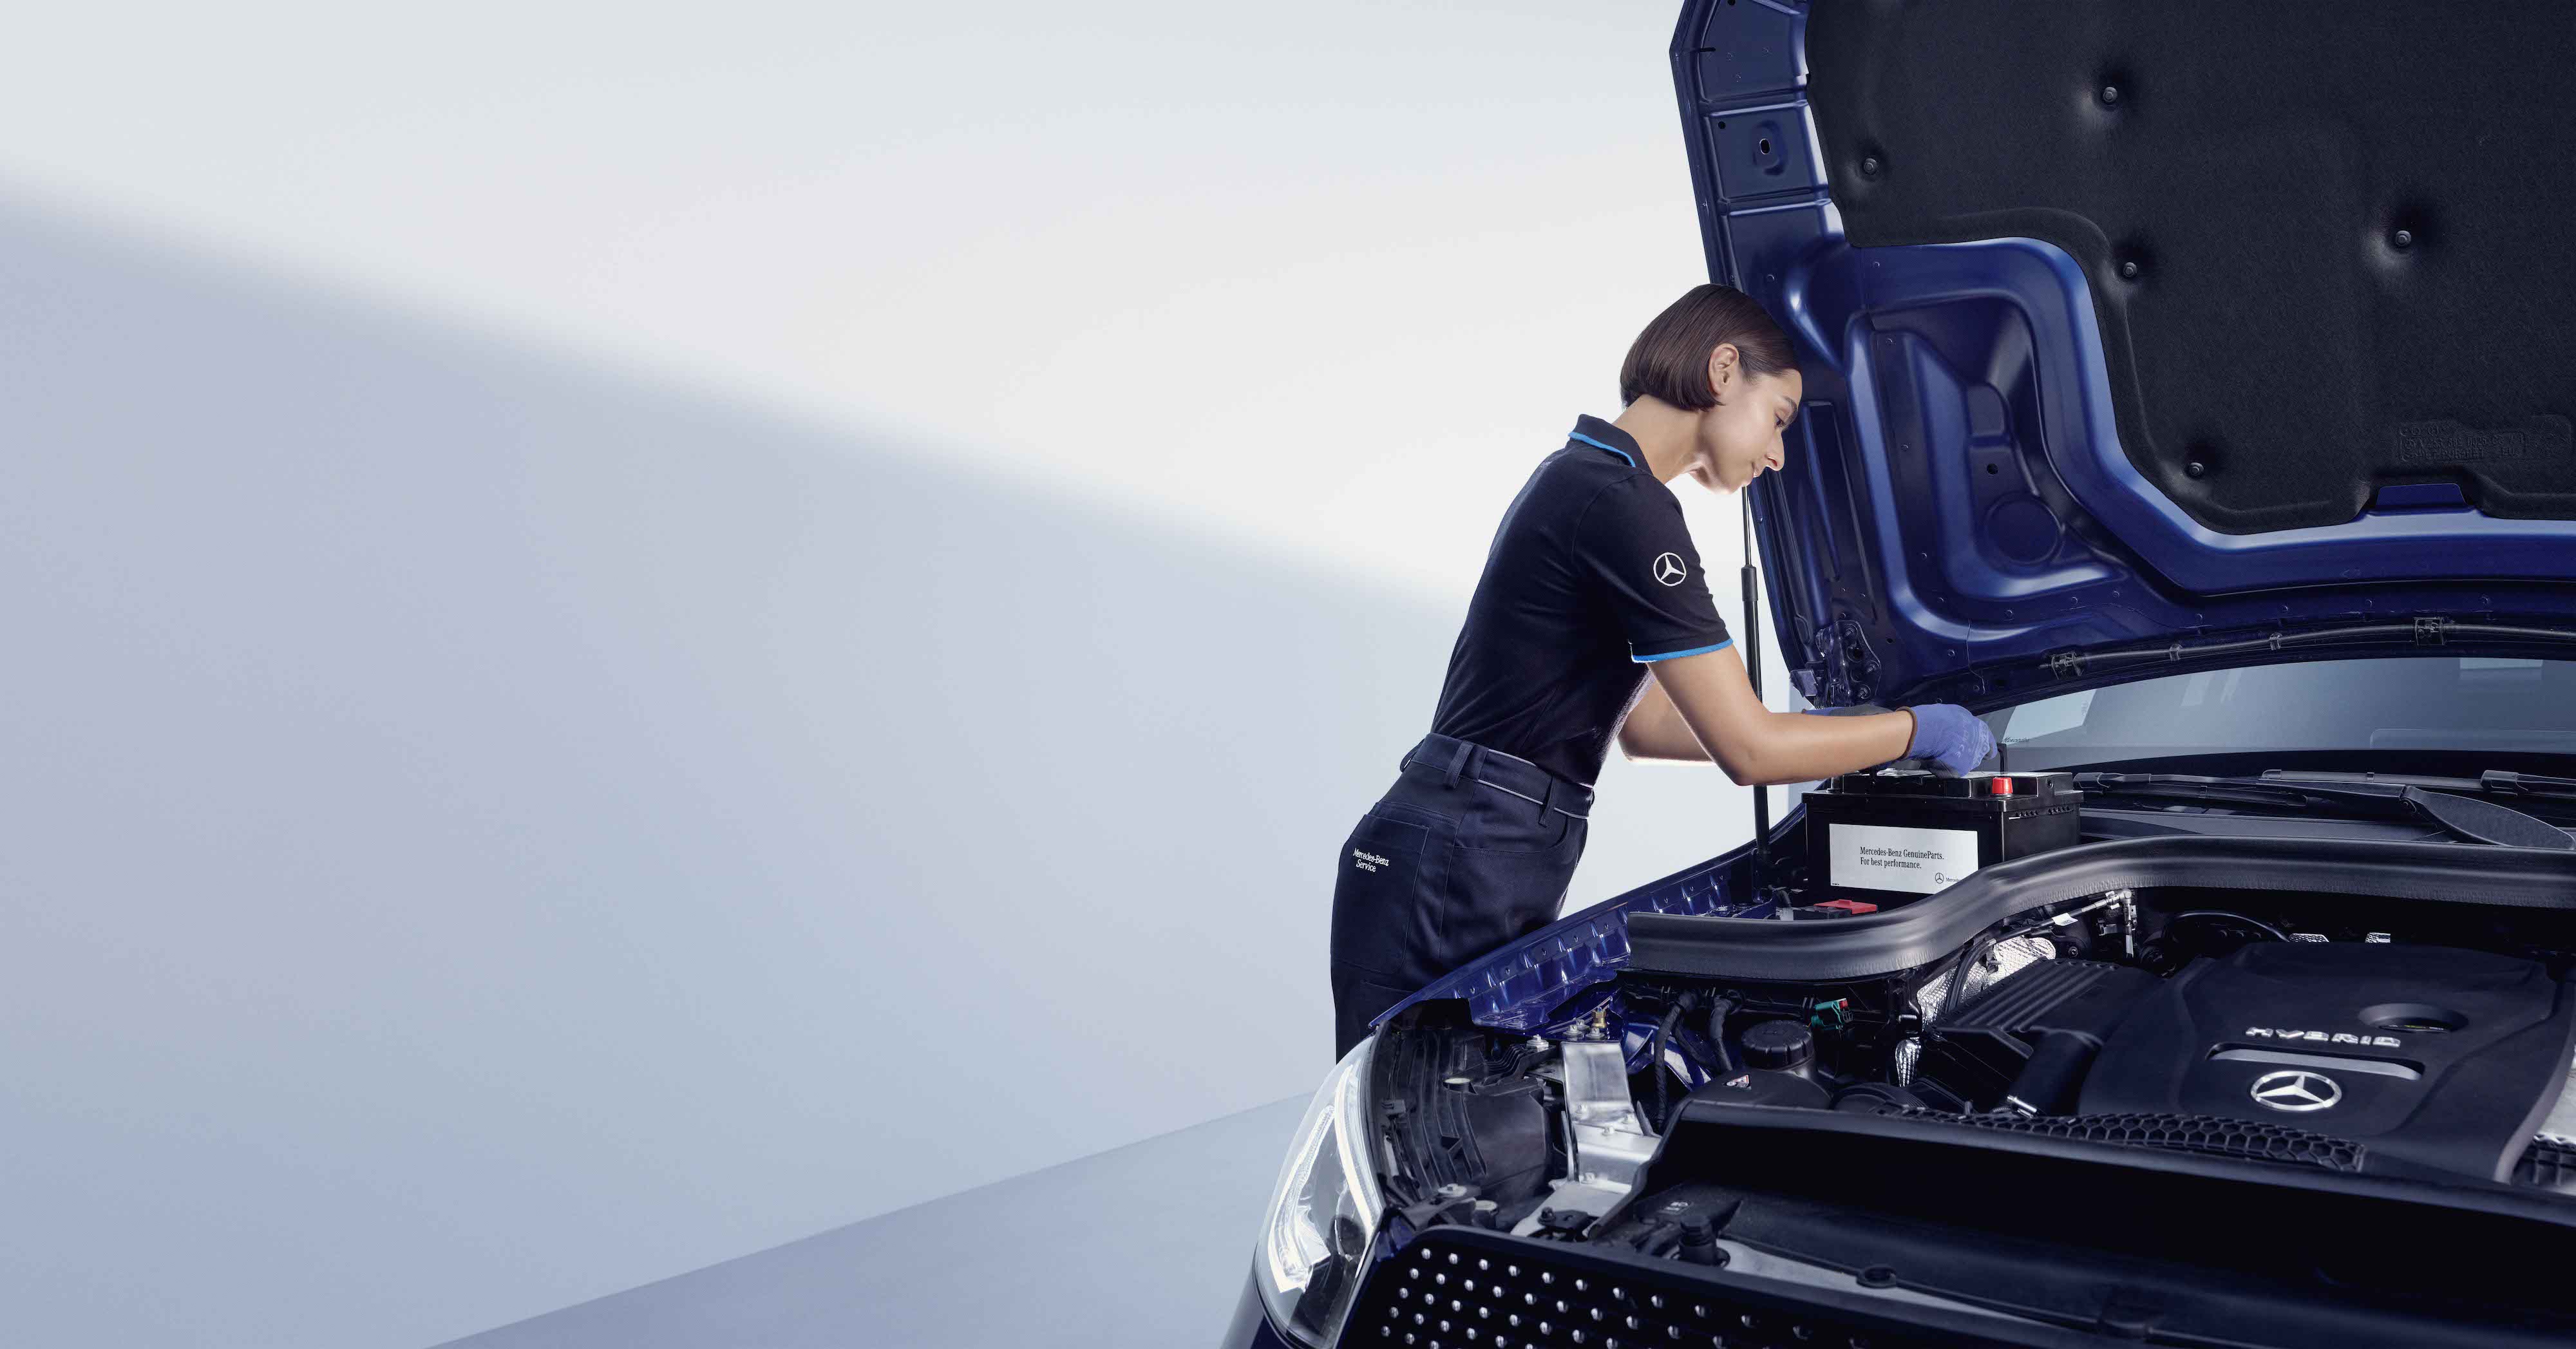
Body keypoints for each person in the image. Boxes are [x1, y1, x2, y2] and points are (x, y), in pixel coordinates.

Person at [1328, 284, 1994, 1055]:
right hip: (1459, 855)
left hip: (1472, 845)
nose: (1777, 456)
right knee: (1431, 1134)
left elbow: (1645, 728)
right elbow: (1750, 753)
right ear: (1721, 372)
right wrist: (1919, 728)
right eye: (1777, 418)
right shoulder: (1621, 501)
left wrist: (1845, 731)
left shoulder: (1587, 481)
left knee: (1458, 1126)